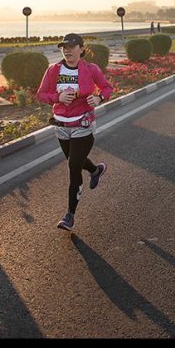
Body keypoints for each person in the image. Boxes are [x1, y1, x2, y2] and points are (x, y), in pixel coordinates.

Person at [37, 33, 114, 232]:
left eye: (72, 46)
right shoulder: (53, 70)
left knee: (73, 166)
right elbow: (41, 94)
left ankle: (69, 216)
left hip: (83, 124)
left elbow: (106, 87)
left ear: (81, 48)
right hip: (61, 126)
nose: (67, 50)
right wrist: (58, 97)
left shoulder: (90, 69)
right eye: (64, 47)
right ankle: (96, 170)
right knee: (75, 160)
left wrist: (99, 98)